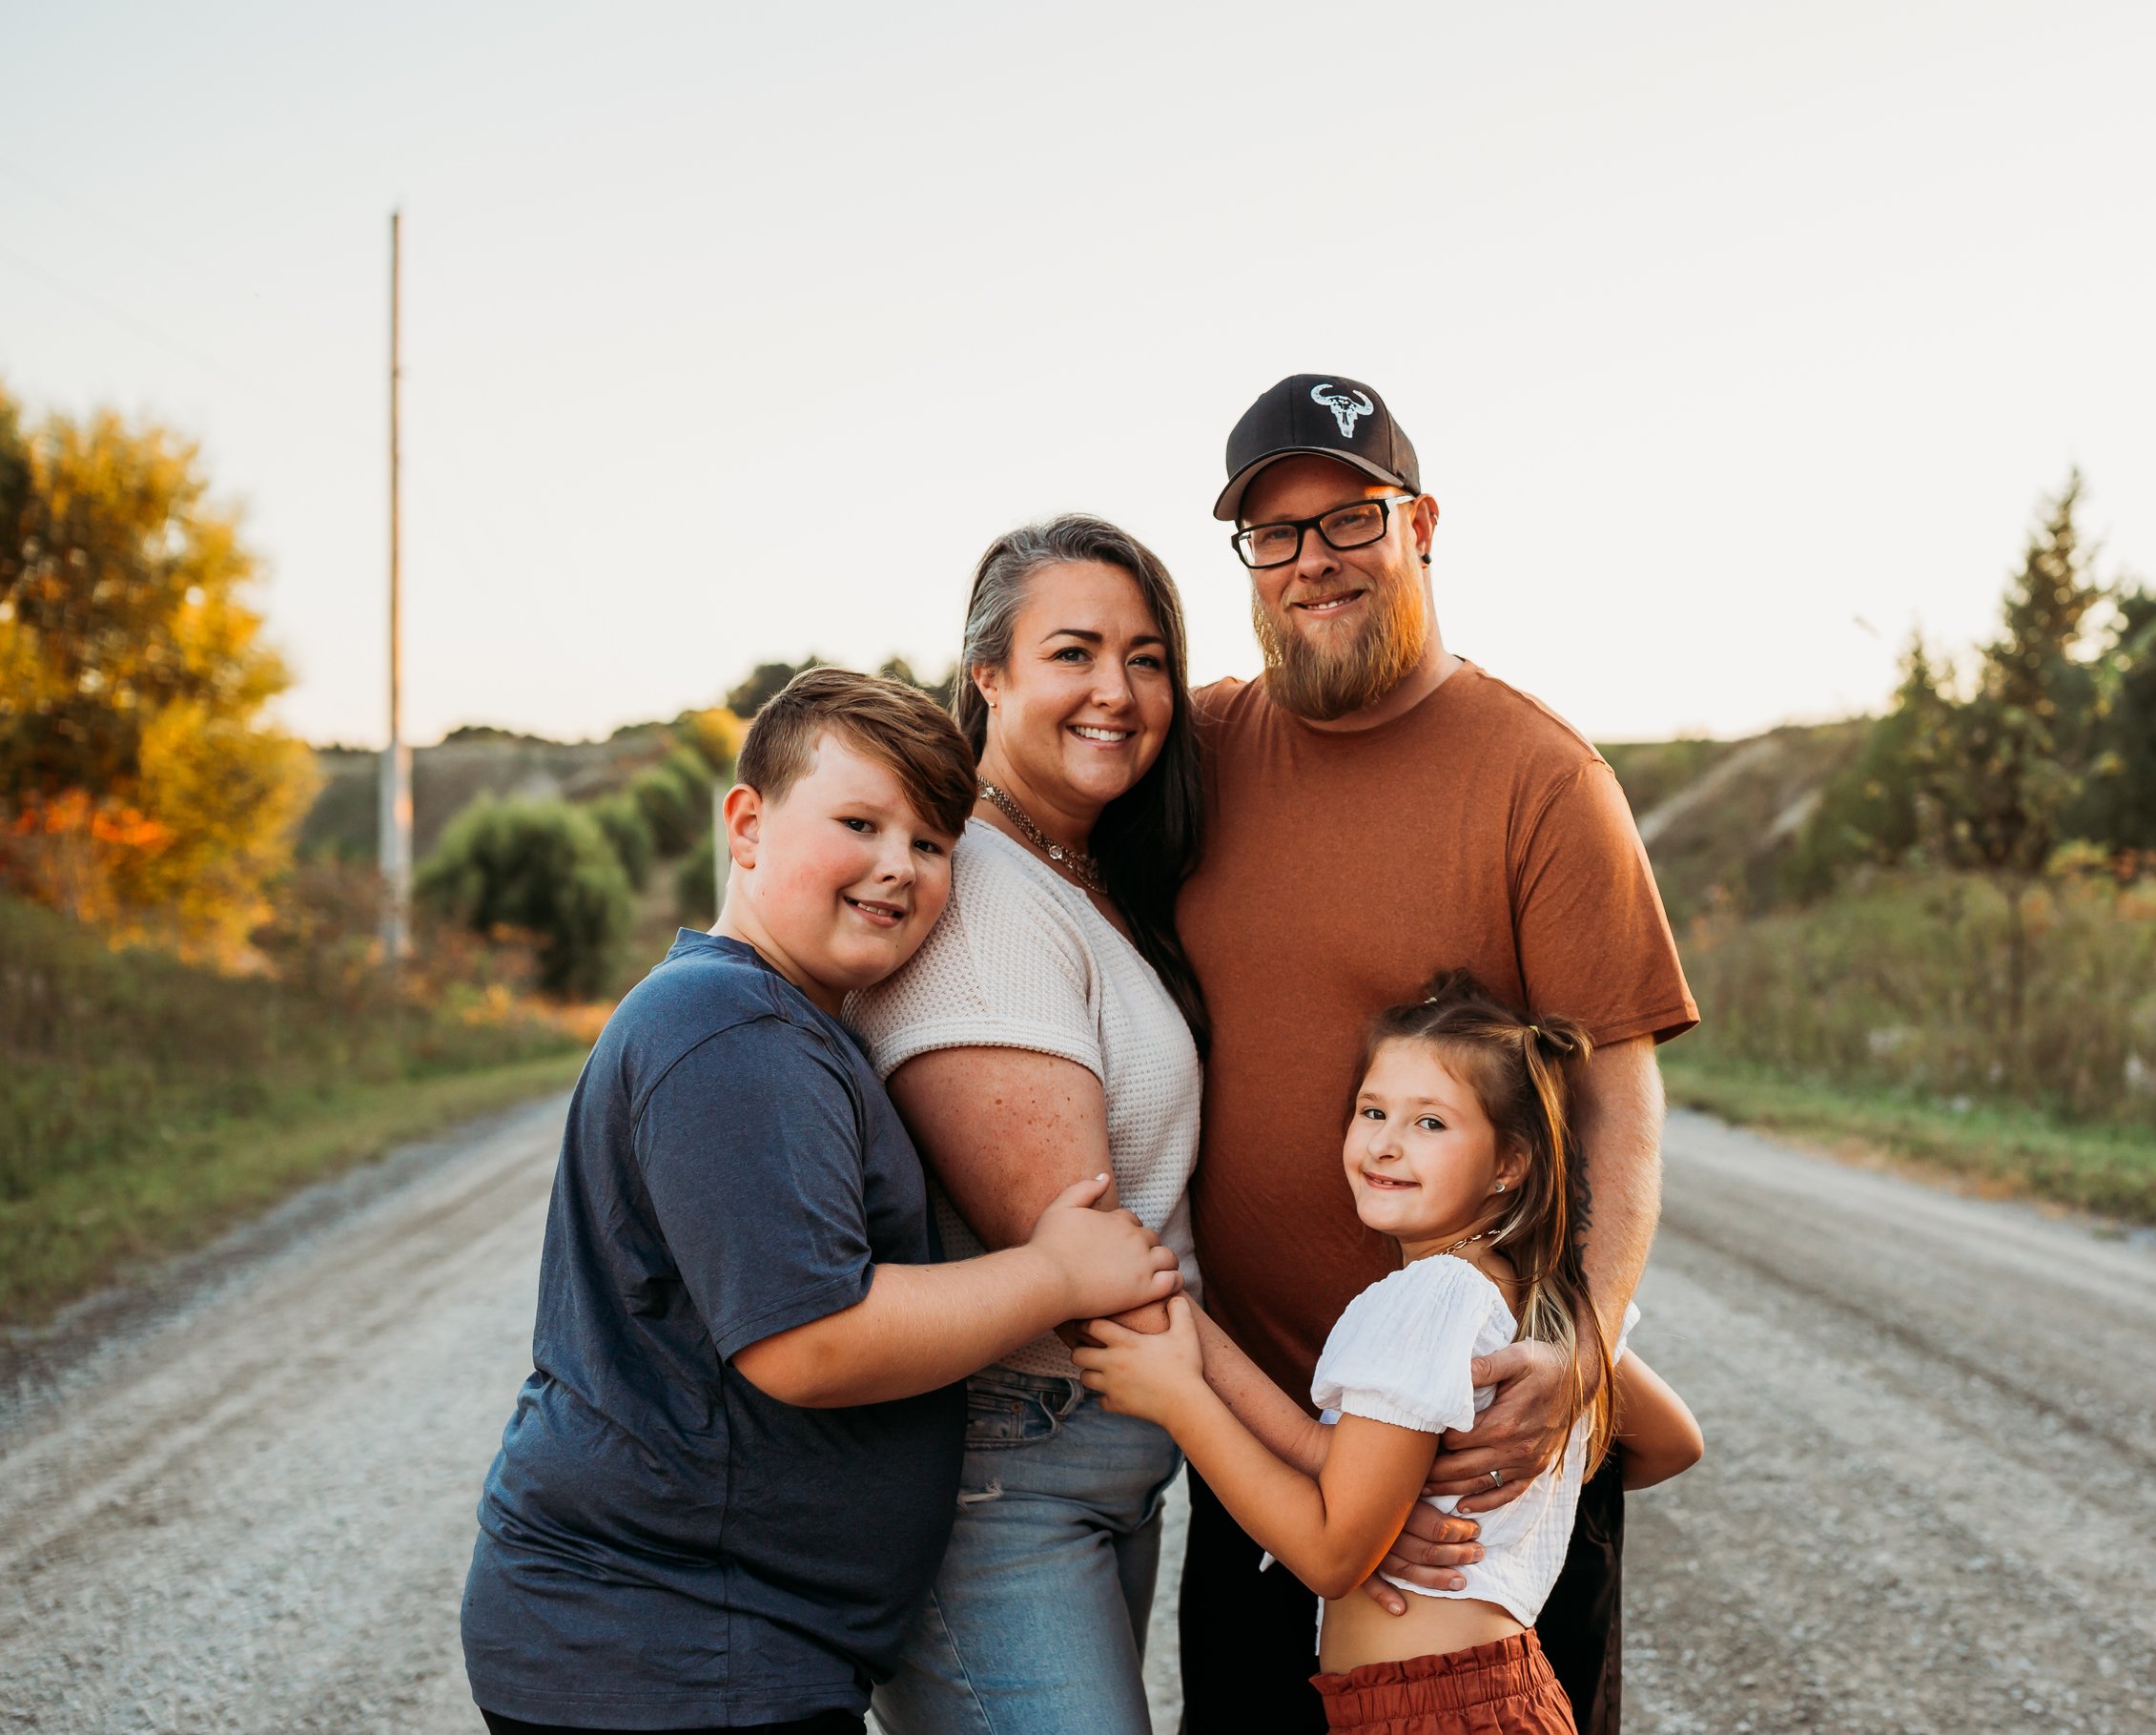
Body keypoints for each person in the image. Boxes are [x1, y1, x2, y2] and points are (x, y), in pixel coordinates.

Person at [459, 668, 1181, 1735]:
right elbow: (806, 1340)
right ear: (746, 825)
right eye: (859, 822)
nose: (899, 865)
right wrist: (1058, 1273)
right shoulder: (730, 1029)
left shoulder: (777, 1021)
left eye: (931, 844)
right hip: (665, 1648)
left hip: (727, 1638)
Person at [1176, 374, 1700, 1733]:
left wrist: (1580, 1342)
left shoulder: (1540, 778)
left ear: (1420, 522)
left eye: (1347, 518)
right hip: (1266, 1454)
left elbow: (1618, 1097)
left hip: (1480, 1478)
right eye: (1273, 533)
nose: (1312, 561)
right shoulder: (1206, 750)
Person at [1076, 973, 1703, 1734]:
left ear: (1511, 1162)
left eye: (1431, 1123)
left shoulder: (1426, 1297)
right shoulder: (1542, 1306)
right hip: (1503, 1695)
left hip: (1428, 1709)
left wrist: (1179, 1400)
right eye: (1372, 1111)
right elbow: (1673, 1443)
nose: (1386, 1142)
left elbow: (1333, 1553)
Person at [843, 516, 1206, 1735]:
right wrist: (1326, 1466)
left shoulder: (1073, 871)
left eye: (1148, 657)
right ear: (986, 672)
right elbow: (1095, 1268)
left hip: (1096, 1453)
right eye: (1075, 652)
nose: (1117, 690)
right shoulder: (986, 896)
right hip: (1008, 1470)